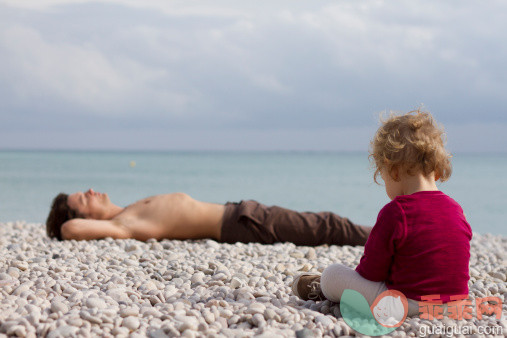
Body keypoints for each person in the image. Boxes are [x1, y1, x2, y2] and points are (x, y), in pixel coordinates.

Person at [292, 110, 472, 317]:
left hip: (408, 305)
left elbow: (371, 273)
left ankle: (322, 289)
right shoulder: (456, 209)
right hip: (455, 304)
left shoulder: (397, 212)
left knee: (332, 275)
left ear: (393, 171)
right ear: (438, 171)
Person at [46, 190, 371, 246]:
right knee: (328, 225)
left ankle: (386, 232)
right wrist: (63, 223)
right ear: (83, 214)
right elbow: (69, 228)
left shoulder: (125, 213)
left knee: (327, 225)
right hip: (243, 223)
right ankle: (394, 233)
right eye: (82, 197)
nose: (91, 190)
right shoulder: (123, 225)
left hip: (241, 213)